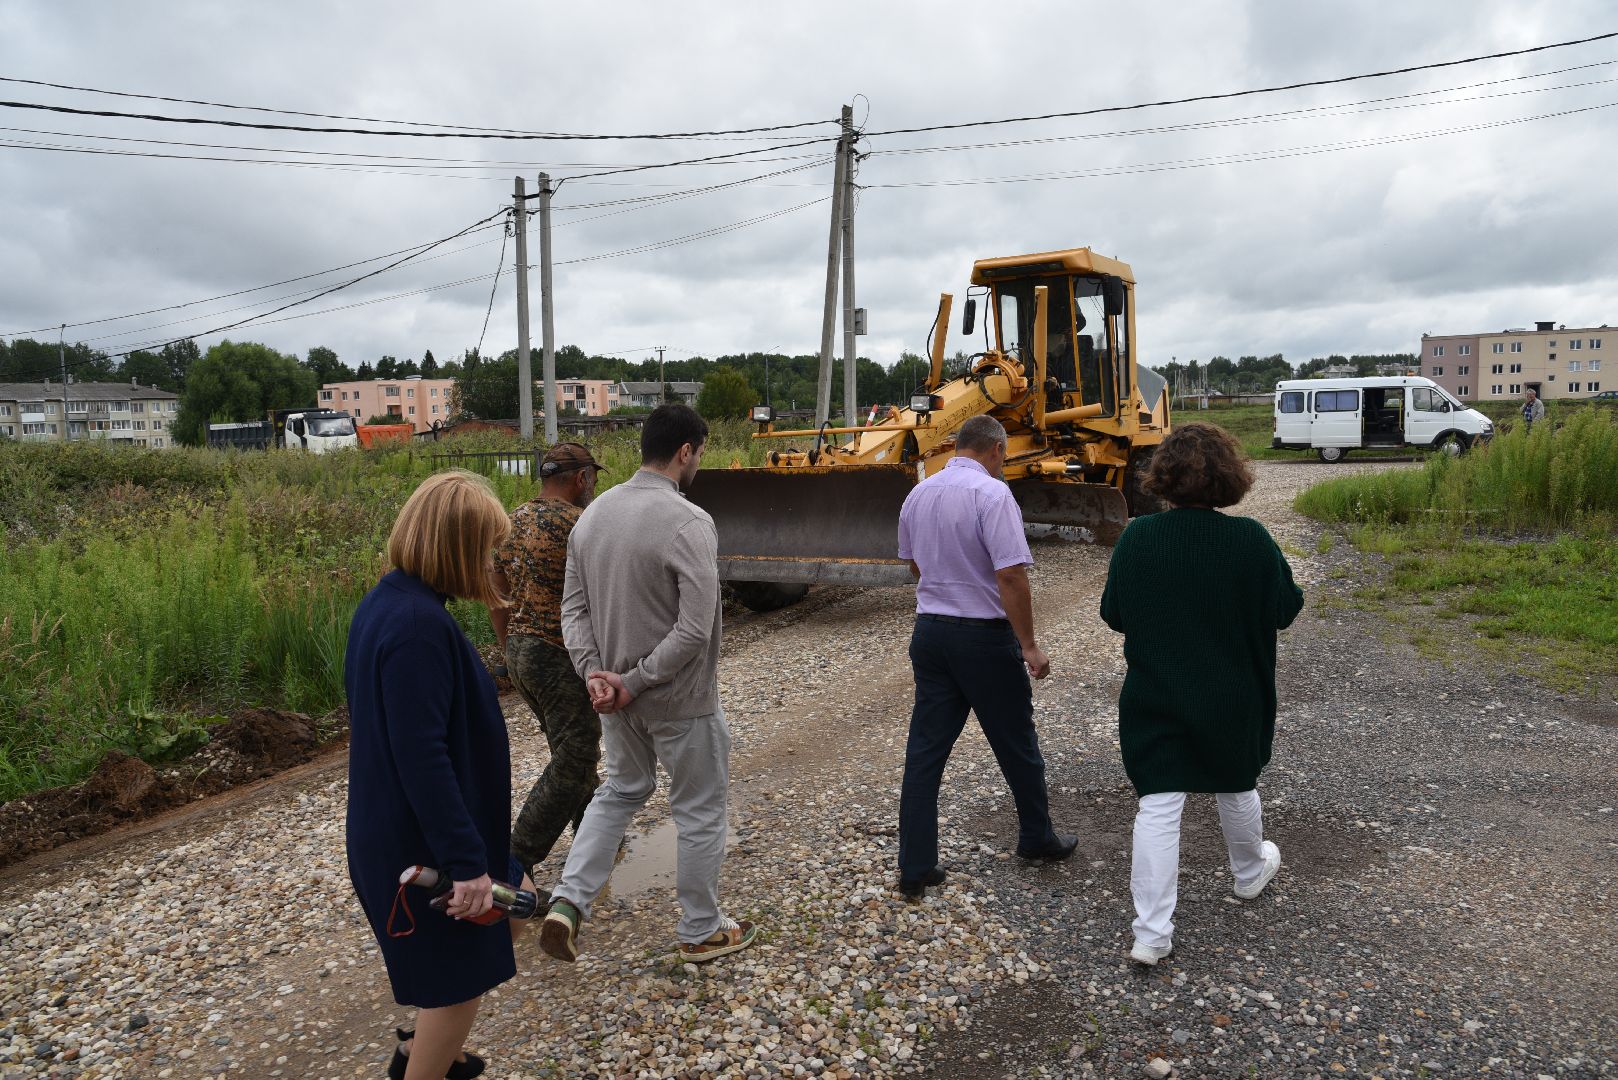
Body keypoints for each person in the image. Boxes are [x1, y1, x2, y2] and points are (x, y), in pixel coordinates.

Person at [538, 404, 760, 964]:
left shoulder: (591, 518)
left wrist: (596, 676)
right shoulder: (690, 522)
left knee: (619, 792)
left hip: (615, 699)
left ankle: (569, 900)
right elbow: (696, 628)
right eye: (700, 453)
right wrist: (633, 681)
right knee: (700, 810)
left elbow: (573, 611)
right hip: (677, 700)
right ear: (685, 451)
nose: (698, 464)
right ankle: (701, 928)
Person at [345, 470, 535, 1080]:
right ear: (456, 547)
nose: (490, 564)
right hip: (417, 846)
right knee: (458, 983)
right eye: (485, 550)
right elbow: (422, 758)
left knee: (451, 973)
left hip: (400, 831)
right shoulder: (418, 627)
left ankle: (424, 1057)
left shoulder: (387, 602)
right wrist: (468, 865)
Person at [1098, 423, 1304, 967]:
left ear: (1162, 477)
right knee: (1236, 783)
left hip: (1155, 694)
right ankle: (1248, 874)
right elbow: (1286, 608)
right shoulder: (1251, 540)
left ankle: (1151, 934)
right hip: (1235, 695)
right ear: (1228, 477)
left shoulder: (1138, 537)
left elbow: (1113, 615)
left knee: (1159, 804)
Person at [894, 414, 1078, 902]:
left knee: (925, 750)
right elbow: (1011, 575)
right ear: (996, 451)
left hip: (930, 633)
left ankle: (914, 866)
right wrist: (1030, 645)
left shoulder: (919, 493)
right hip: (983, 638)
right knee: (1015, 741)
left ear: (958, 445)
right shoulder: (993, 495)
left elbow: (913, 562)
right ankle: (1036, 838)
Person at [490, 442, 606, 882]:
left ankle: (594, 842)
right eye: (593, 477)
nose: (594, 485)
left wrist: (510, 647)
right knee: (574, 757)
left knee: (571, 751)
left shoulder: (512, 519)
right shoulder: (581, 523)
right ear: (580, 479)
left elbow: (495, 587)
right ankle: (515, 861)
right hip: (559, 654)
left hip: (521, 652)